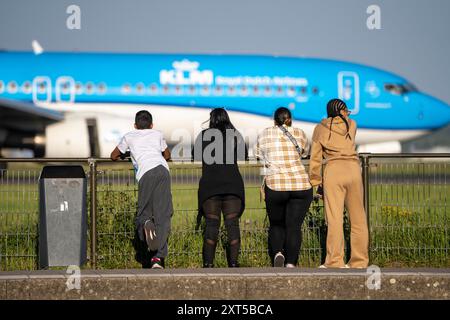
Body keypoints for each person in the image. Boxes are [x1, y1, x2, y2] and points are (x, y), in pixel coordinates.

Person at [309, 99, 369, 268]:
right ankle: (360, 261)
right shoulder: (352, 125)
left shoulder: (320, 128)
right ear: (342, 111)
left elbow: (315, 157)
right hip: (353, 170)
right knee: (358, 219)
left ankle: (335, 261)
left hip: (334, 170)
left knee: (334, 219)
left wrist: (315, 180)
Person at [110, 110, 173, 269]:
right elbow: (167, 154)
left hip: (146, 172)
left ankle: (145, 224)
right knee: (163, 215)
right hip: (163, 171)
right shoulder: (157, 134)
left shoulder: (129, 136)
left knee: (143, 213)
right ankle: (157, 259)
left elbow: (113, 155)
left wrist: (129, 154)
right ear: (152, 125)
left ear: (135, 125)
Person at [255, 107, 313, 268]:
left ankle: (278, 252)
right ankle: (291, 263)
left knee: (277, 224)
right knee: (294, 226)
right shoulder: (299, 133)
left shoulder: (265, 133)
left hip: (276, 185)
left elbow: (258, 154)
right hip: (300, 183)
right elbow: (304, 152)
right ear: (290, 119)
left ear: (274, 120)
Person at [192, 108, 247, 268]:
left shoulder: (203, 135)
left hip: (210, 187)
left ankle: (208, 264)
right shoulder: (235, 135)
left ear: (212, 119)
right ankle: (234, 264)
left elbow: (196, 155)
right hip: (233, 186)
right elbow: (243, 155)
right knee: (232, 225)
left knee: (211, 226)